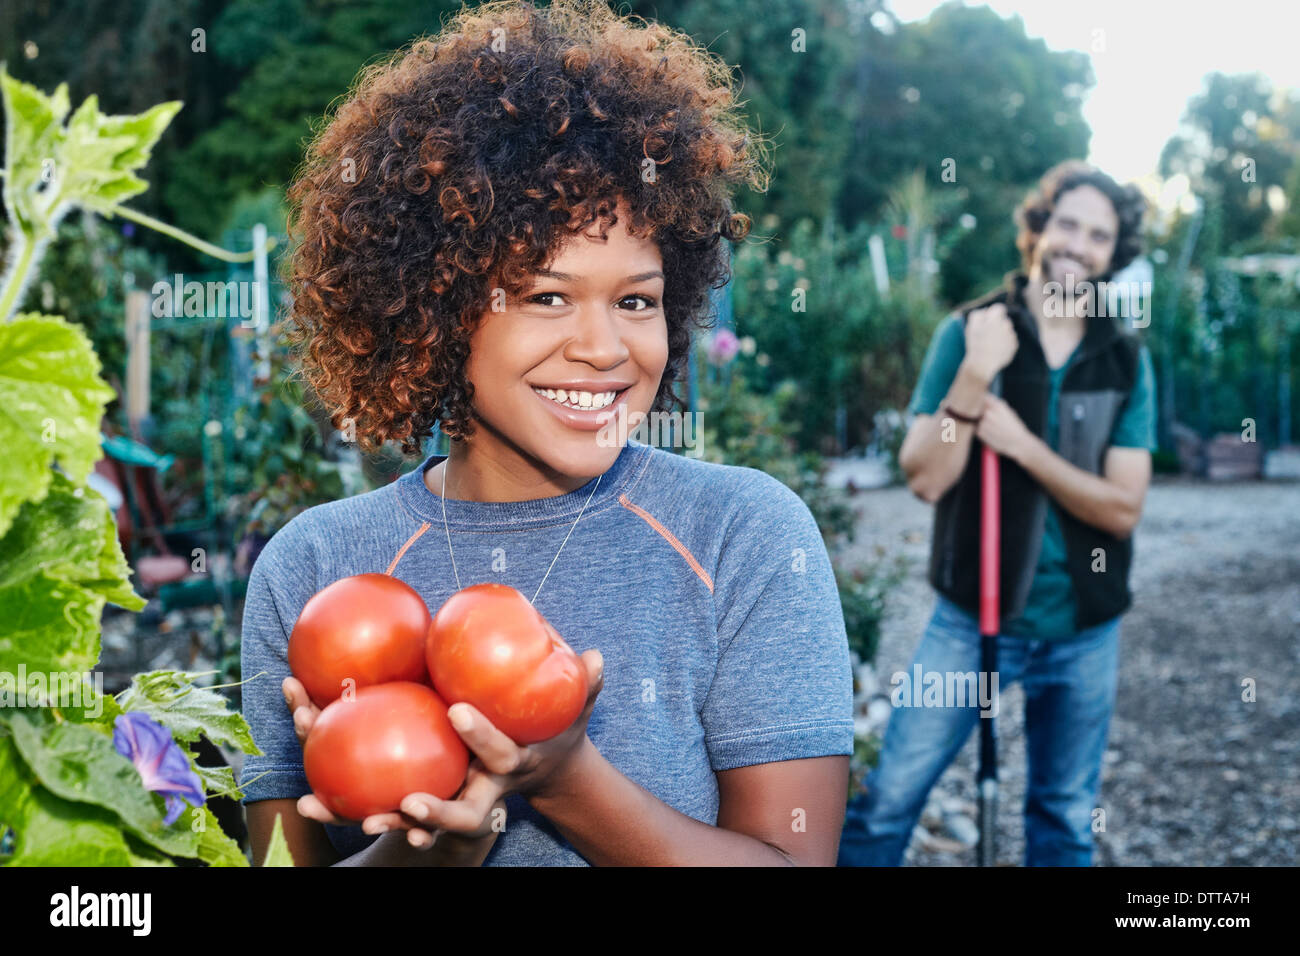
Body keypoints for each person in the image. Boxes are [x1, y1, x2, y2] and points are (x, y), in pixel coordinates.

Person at [238, 0, 853, 867]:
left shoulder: (742, 536)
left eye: (635, 300)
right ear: (440, 308)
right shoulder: (312, 571)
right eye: (545, 296)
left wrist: (569, 781)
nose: (605, 349)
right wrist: (430, 853)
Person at [838, 160, 1156, 867]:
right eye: (1067, 224)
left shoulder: (1126, 360)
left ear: (1114, 253)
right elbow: (924, 474)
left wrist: (1022, 446)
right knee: (889, 797)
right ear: (1040, 228)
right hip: (969, 620)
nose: (1078, 244)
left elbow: (1121, 509)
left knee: (1065, 819)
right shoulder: (971, 332)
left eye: (1098, 235)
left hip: (1084, 629)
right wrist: (976, 377)